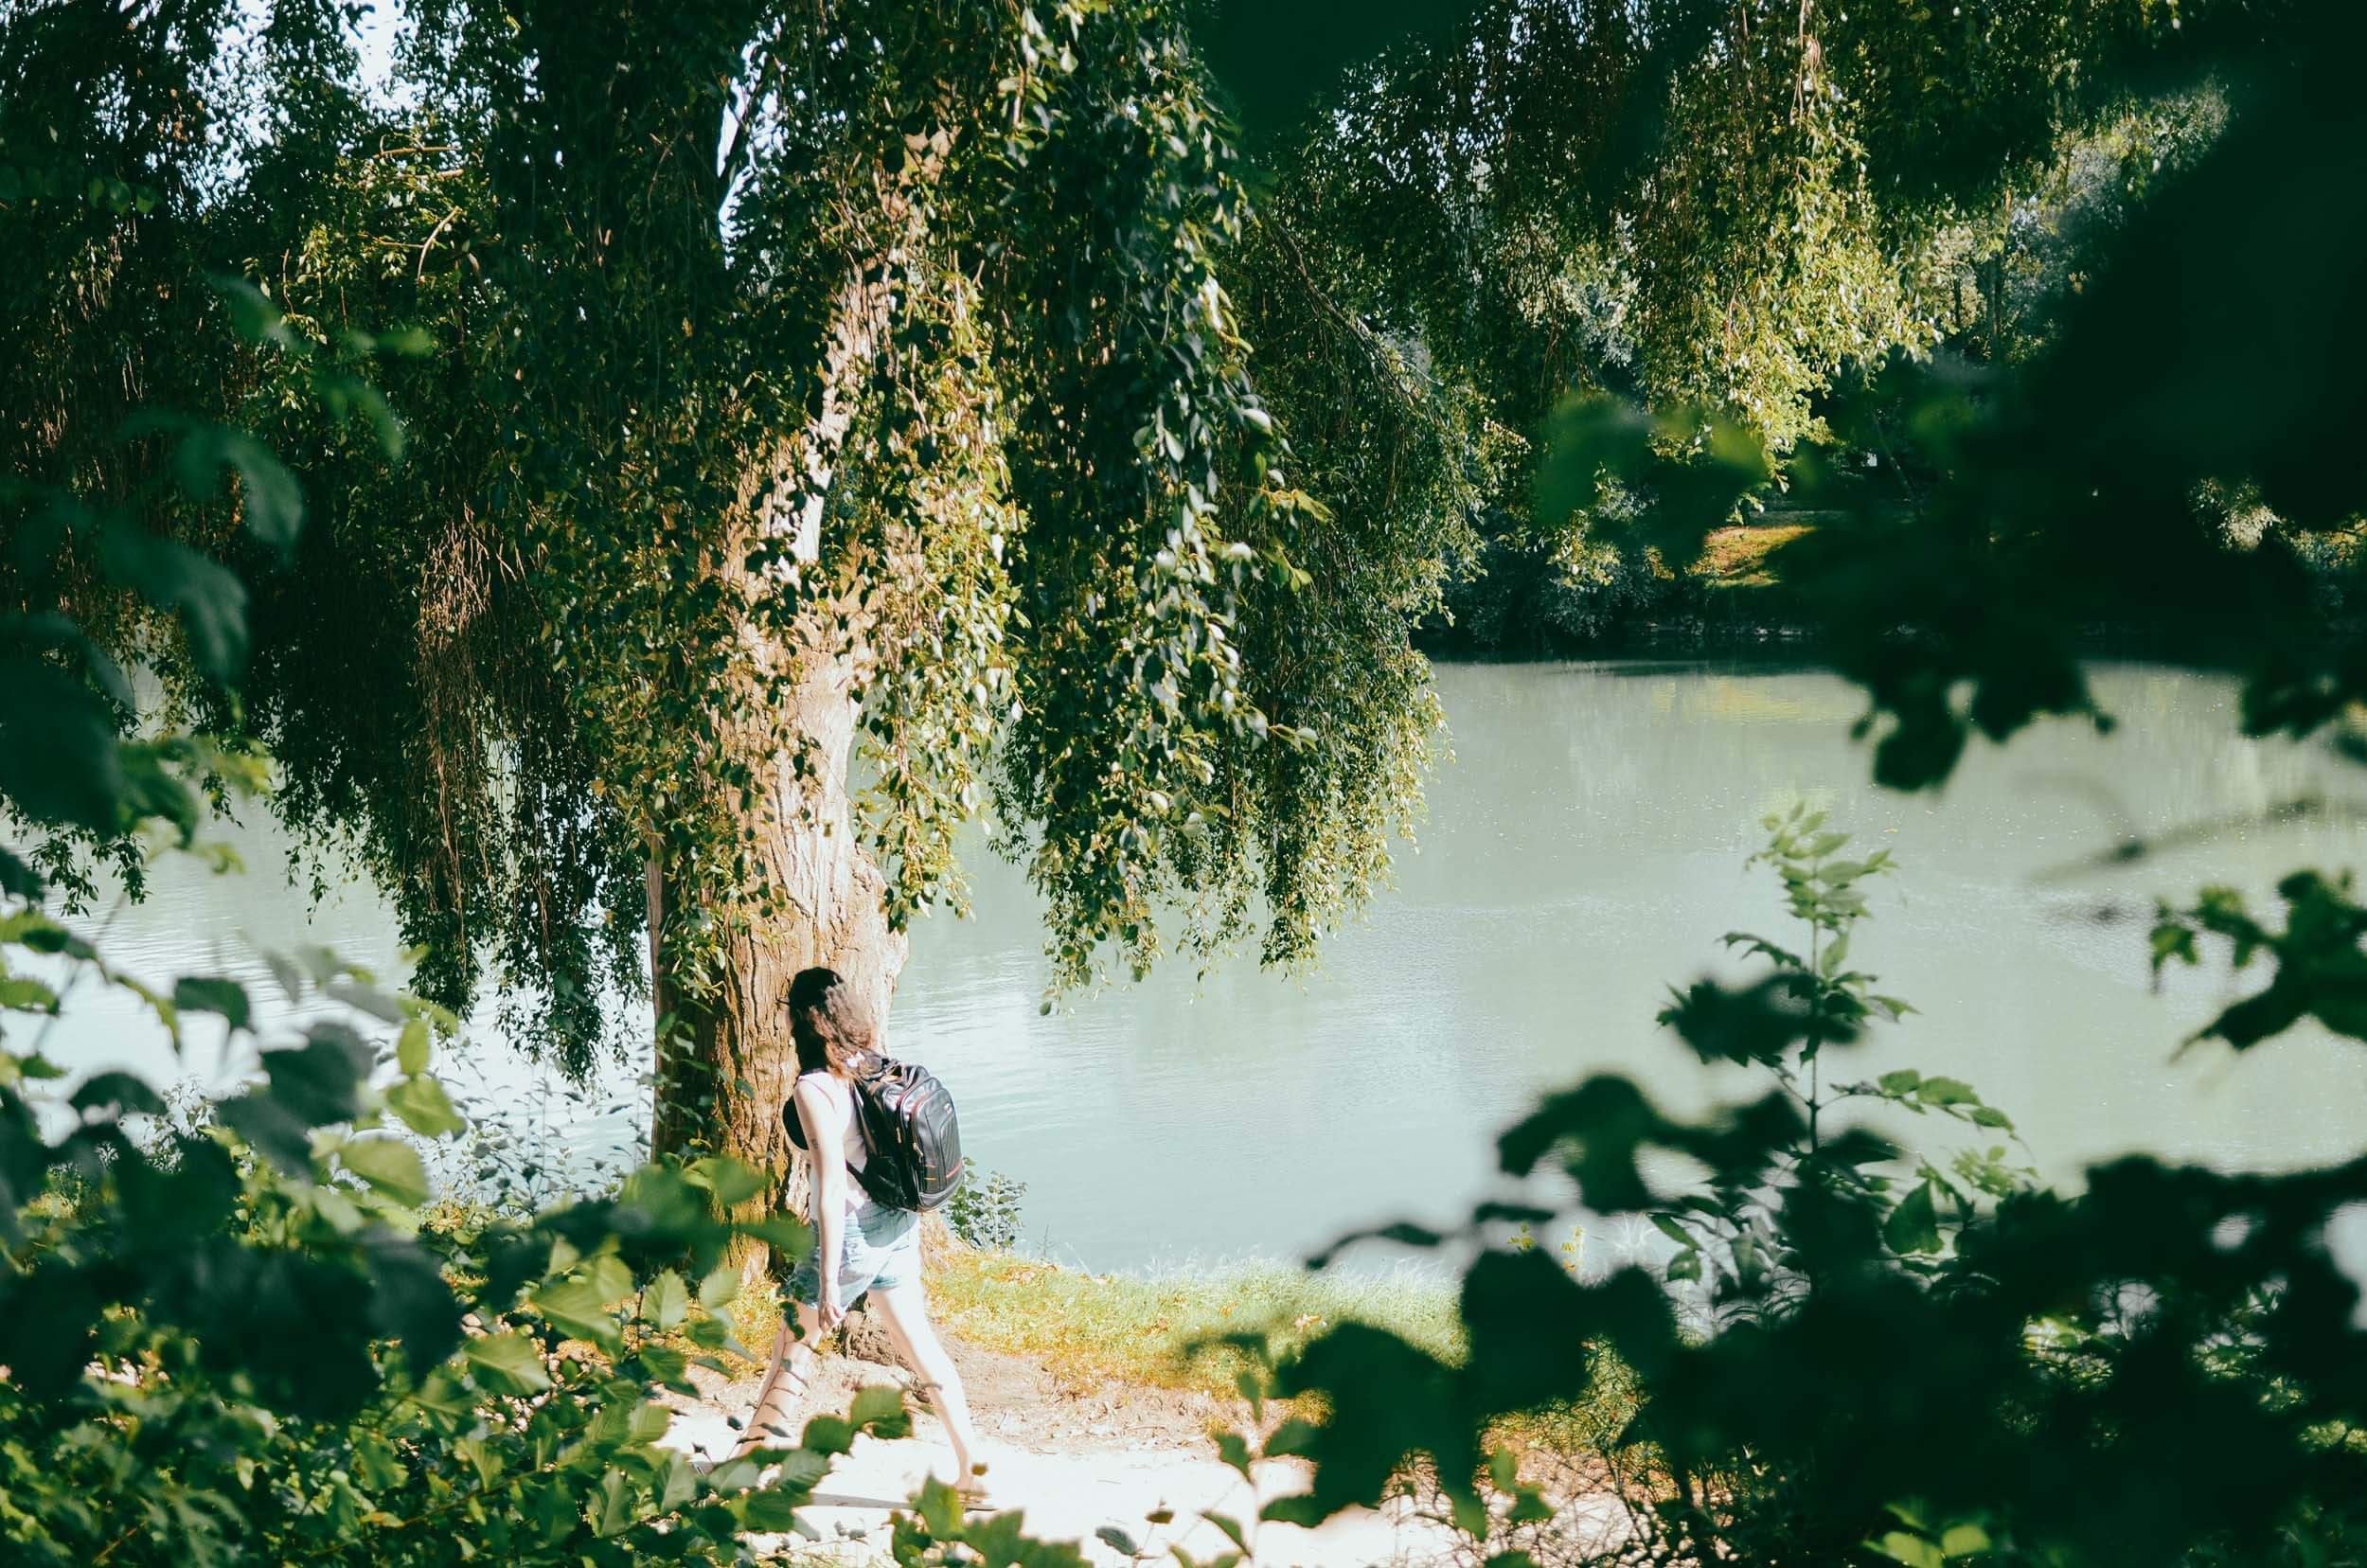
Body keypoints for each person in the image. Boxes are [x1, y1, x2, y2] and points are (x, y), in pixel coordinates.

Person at [731, 966, 988, 1502]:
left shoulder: (814, 1087)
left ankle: (742, 1470)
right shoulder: (871, 1063)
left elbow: (827, 1187)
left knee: (792, 1354)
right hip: (897, 1224)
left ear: (800, 1021)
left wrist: (828, 1283)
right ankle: (973, 1469)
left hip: (848, 1234)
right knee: (922, 1348)